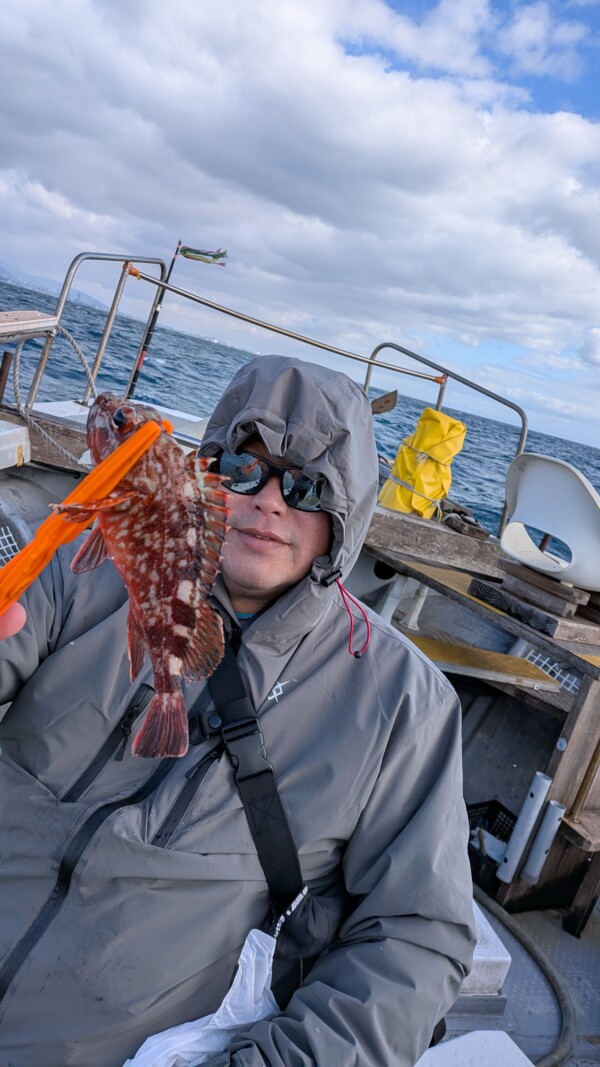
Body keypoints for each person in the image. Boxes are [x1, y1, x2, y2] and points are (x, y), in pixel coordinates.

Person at [0, 354, 475, 1067]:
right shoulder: (80, 569)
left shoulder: (401, 701)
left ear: (346, 517)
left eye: (308, 486)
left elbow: (415, 938)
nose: (271, 500)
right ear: (205, 473)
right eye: (243, 469)